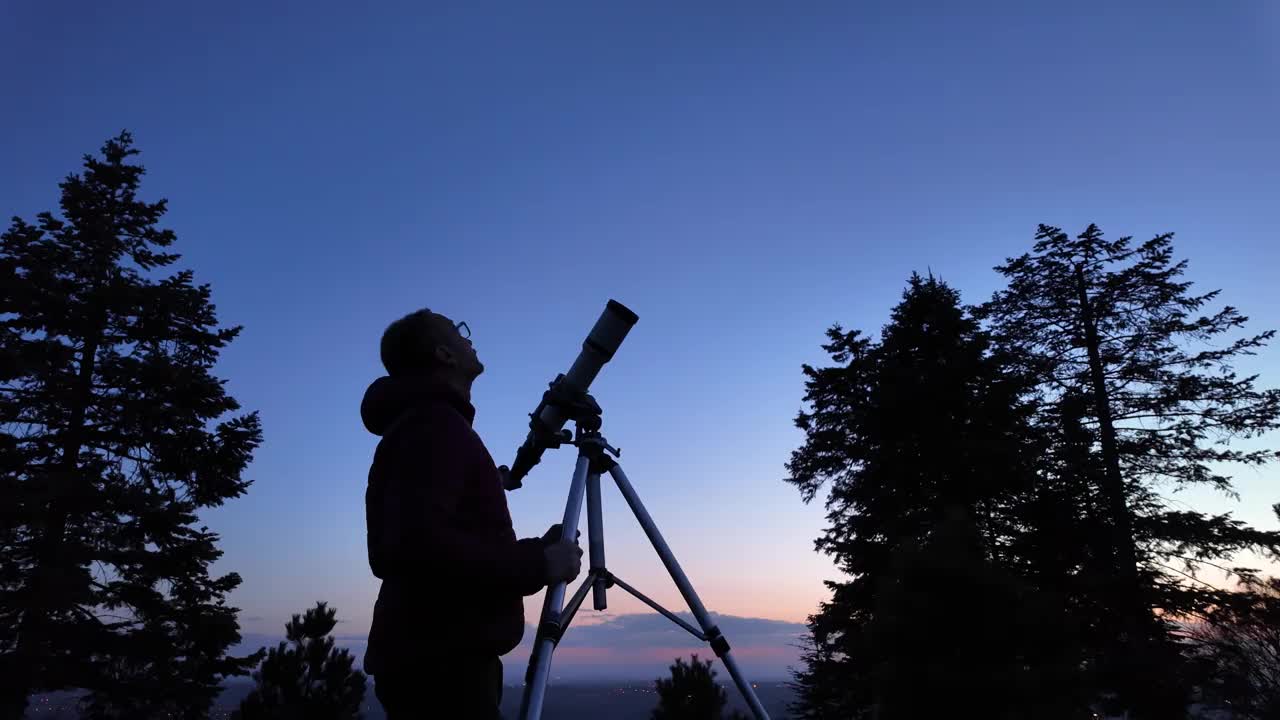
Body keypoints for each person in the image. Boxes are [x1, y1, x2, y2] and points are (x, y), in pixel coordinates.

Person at [362, 309, 583, 719]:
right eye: (459, 332)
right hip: (439, 668)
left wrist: (538, 550)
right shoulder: (431, 425)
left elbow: (445, 541)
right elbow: (416, 547)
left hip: (440, 659)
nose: (469, 338)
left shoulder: (431, 426)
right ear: (444, 354)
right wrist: (539, 563)